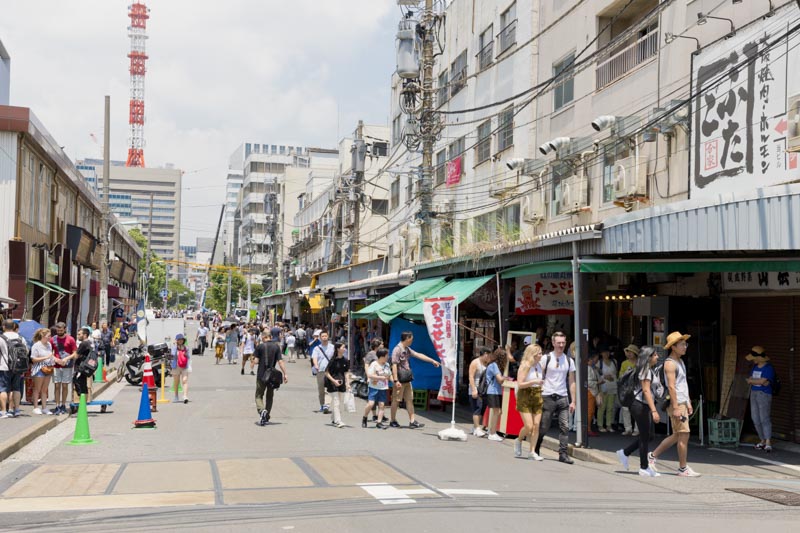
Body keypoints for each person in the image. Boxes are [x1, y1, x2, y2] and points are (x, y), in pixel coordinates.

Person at [649, 331, 700, 477]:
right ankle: (682, 468)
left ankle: (652, 456)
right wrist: (677, 407)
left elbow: (683, 384)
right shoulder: (670, 364)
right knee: (684, 434)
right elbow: (671, 387)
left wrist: (689, 402)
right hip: (677, 403)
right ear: (674, 347)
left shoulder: (680, 361)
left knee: (678, 435)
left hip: (682, 402)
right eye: (682, 344)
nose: (685, 347)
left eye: (685, 344)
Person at [616, 346, 662, 477]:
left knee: (649, 435)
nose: (657, 357)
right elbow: (646, 391)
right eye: (655, 355)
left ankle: (625, 453)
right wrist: (654, 411)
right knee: (645, 436)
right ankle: (643, 467)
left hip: (644, 405)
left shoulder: (649, 370)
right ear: (648, 357)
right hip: (640, 405)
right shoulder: (645, 370)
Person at [534, 331, 576, 464]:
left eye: (563, 343)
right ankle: (536, 447)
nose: (561, 345)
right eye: (558, 343)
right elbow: (537, 374)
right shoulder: (546, 358)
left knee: (565, 426)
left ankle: (563, 454)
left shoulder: (569, 360)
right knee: (544, 426)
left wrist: (573, 400)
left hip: (563, 396)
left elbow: (572, 381)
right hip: (547, 396)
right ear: (553, 343)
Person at [389, 331, 440, 429]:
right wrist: (396, 381)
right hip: (400, 379)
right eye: (411, 339)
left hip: (407, 379)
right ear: (407, 338)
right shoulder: (397, 350)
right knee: (396, 400)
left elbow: (418, 355)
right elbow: (394, 365)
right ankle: (393, 420)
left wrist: (432, 361)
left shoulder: (407, 349)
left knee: (409, 400)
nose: (412, 340)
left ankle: (412, 421)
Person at [515, 344, 545, 460]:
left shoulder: (539, 366)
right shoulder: (525, 365)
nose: (541, 355)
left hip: (537, 394)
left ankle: (532, 452)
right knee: (529, 426)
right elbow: (520, 384)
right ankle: (519, 440)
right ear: (533, 354)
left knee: (536, 425)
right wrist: (533, 382)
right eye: (539, 353)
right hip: (525, 394)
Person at [254, 327, 288, 426]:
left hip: (261, 375)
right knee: (270, 396)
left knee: (259, 395)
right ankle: (267, 416)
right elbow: (280, 362)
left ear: (263, 337)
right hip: (272, 376)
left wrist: (253, 359)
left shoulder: (259, 347)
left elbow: (255, 361)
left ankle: (262, 411)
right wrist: (285, 373)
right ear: (270, 337)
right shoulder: (276, 347)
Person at [746, 346, 776, 453]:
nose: (753, 360)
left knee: (764, 417)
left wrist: (753, 381)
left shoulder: (768, 368)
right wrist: (756, 381)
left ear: (758, 358)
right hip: (754, 393)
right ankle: (762, 439)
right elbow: (756, 380)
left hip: (764, 394)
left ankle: (768, 441)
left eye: (754, 358)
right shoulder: (755, 367)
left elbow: (763, 382)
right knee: (755, 417)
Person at [50, 322, 78, 415]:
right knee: (57, 385)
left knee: (65, 386)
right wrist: (55, 359)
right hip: (56, 365)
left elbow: (75, 353)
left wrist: (66, 358)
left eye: (61, 330)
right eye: (58, 330)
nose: (59, 332)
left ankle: (63, 404)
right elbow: (49, 352)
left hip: (67, 365)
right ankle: (57, 405)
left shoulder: (70, 339)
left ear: (65, 329)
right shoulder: (53, 339)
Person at [0, 319, 25, 418]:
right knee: (16, 389)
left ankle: (3, 411)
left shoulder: (1, 338)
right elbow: (25, 352)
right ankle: (16, 410)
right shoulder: (20, 338)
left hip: (4, 366)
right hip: (18, 367)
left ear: (4, 327)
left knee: (3, 389)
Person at [362, 348, 390, 429]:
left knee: (381, 405)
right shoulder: (374, 364)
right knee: (371, 403)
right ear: (382, 356)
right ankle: (365, 417)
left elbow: (389, 374)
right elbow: (370, 375)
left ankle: (379, 422)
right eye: (386, 355)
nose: (388, 357)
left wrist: (395, 381)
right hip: (374, 387)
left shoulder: (387, 365)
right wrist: (380, 377)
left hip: (383, 387)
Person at [325, 342, 351, 428]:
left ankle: (333, 419)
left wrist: (348, 383)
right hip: (332, 383)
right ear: (338, 349)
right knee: (336, 402)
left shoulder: (346, 360)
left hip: (342, 383)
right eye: (343, 347)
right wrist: (334, 381)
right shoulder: (332, 360)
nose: (345, 349)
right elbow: (326, 373)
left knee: (339, 402)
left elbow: (346, 372)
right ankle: (338, 421)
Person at [485, 348, 508, 442]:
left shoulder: (493, 364)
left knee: (496, 412)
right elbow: (499, 379)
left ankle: (492, 431)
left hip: (495, 391)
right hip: (493, 391)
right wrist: (505, 378)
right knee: (496, 412)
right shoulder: (494, 365)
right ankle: (492, 433)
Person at [30, 328, 55, 415]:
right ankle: (36, 407)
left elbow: (51, 355)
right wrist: (46, 357)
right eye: (48, 336)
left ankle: (44, 407)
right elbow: (33, 359)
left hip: (48, 368)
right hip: (39, 368)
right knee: (37, 388)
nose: (50, 338)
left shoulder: (49, 345)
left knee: (45, 389)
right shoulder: (36, 345)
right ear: (43, 336)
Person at [468, 348, 491, 437]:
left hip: (483, 389)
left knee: (482, 409)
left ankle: (475, 427)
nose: (489, 357)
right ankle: (477, 428)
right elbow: (471, 377)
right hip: (475, 388)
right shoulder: (475, 362)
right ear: (485, 354)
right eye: (489, 355)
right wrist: (474, 389)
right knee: (477, 408)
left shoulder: (486, 363)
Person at [311, 331, 334, 414]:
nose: (324, 337)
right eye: (323, 336)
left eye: (325, 336)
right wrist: (316, 365)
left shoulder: (332, 347)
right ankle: (322, 404)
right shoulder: (317, 348)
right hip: (320, 370)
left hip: (331, 371)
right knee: (321, 389)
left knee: (329, 388)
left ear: (328, 337)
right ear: (320, 338)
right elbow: (314, 358)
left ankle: (327, 405)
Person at [619, 344, 640, 436]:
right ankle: (627, 428)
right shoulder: (624, 363)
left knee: (636, 409)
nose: (629, 354)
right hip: (626, 389)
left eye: (631, 352)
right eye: (628, 352)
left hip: (637, 388)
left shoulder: (639, 363)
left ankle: (637, 429)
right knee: (625, 408)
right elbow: (620, 376)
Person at [72, 327, 96, 405]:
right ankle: (83, 402)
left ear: (85, 335)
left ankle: (82, 403)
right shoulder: (89, 343)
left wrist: (66, 358)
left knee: (78, 383)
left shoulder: (83, 344)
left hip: (81, 367)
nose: (78, 336)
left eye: (79, 334)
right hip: (85, 367)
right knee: (82, 384)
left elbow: (76, 355)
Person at [596, 346, 618, 432]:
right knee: (602, 407)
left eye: (608, 352)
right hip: (603, 386)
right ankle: (600, 425)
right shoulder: (599, 362)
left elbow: (616, 373)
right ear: (601, 353)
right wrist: (604, 376)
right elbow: (596, 374)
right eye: (604, 352)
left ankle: (609, 425)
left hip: (613, 386)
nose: (606, 354)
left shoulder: (614, 362)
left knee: (610, 407)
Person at [363, 338, 384, 422]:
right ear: (376, 346)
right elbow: (366, 365)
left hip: (380, 378)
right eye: (381, 344)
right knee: (373, 396)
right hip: (372, 377)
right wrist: (368, 376)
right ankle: (374, 415)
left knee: (379, 396)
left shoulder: (380, 354)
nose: (383, 345)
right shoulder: (371, 354)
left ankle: (380, 414)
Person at [586, 351, 602, 437]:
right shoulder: (588, 368)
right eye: (594, 359)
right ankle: (588, 429)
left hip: (592, 391)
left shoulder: (592, 368)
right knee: (590, 411)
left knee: (591, 411)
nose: (596, 361)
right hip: (590, 391)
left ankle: (588, 428)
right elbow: (588, 382)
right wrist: (598, 383)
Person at [171, 334, 191, 403]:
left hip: (184, 366)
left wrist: (186, 354)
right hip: (176, 366)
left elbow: (189, 357)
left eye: (181, 339)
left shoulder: (186, 347)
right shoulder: (174, 347)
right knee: (176, 382)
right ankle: (176, 396)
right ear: (177, 340)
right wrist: (175, 346)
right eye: (179, 339)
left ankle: (185, 396)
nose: (180, 341)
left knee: (185, 380)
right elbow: (173, 354)